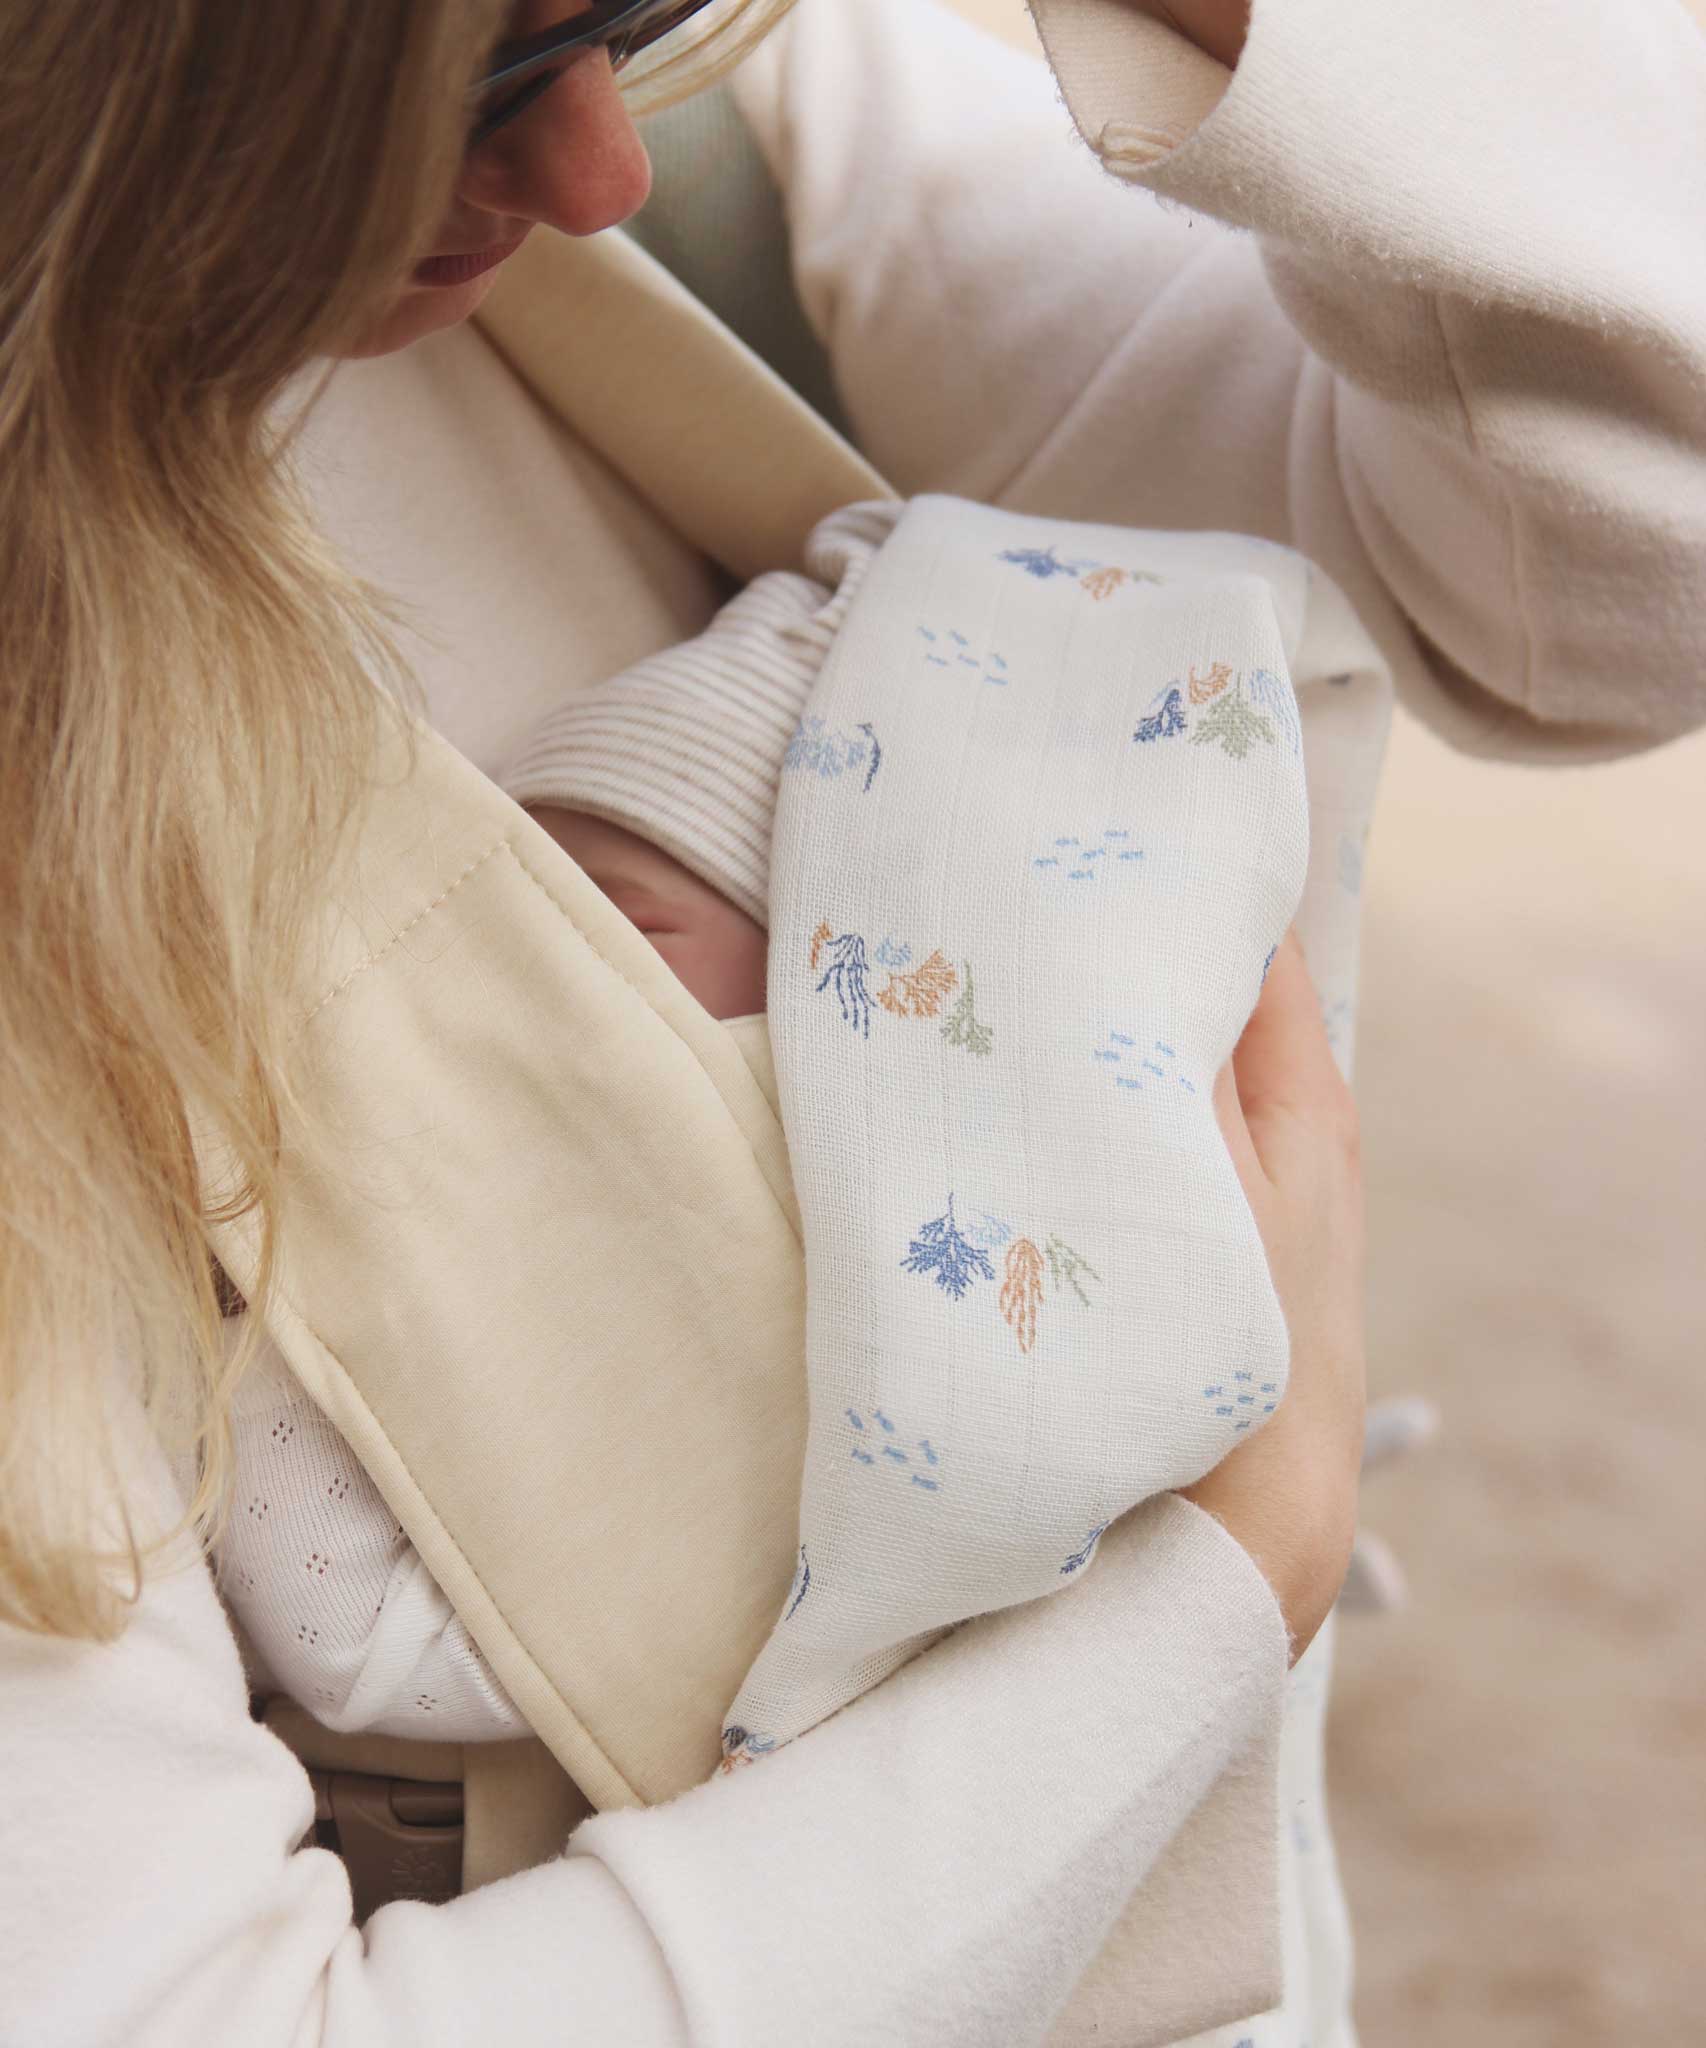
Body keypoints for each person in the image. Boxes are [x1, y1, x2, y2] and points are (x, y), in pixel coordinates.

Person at [2, 0, 1700, 2043]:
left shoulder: (753, 157)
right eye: (471, 86)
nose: (595, 176)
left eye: (628, 21)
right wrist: (1227, 1582)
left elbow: (1605, 563)